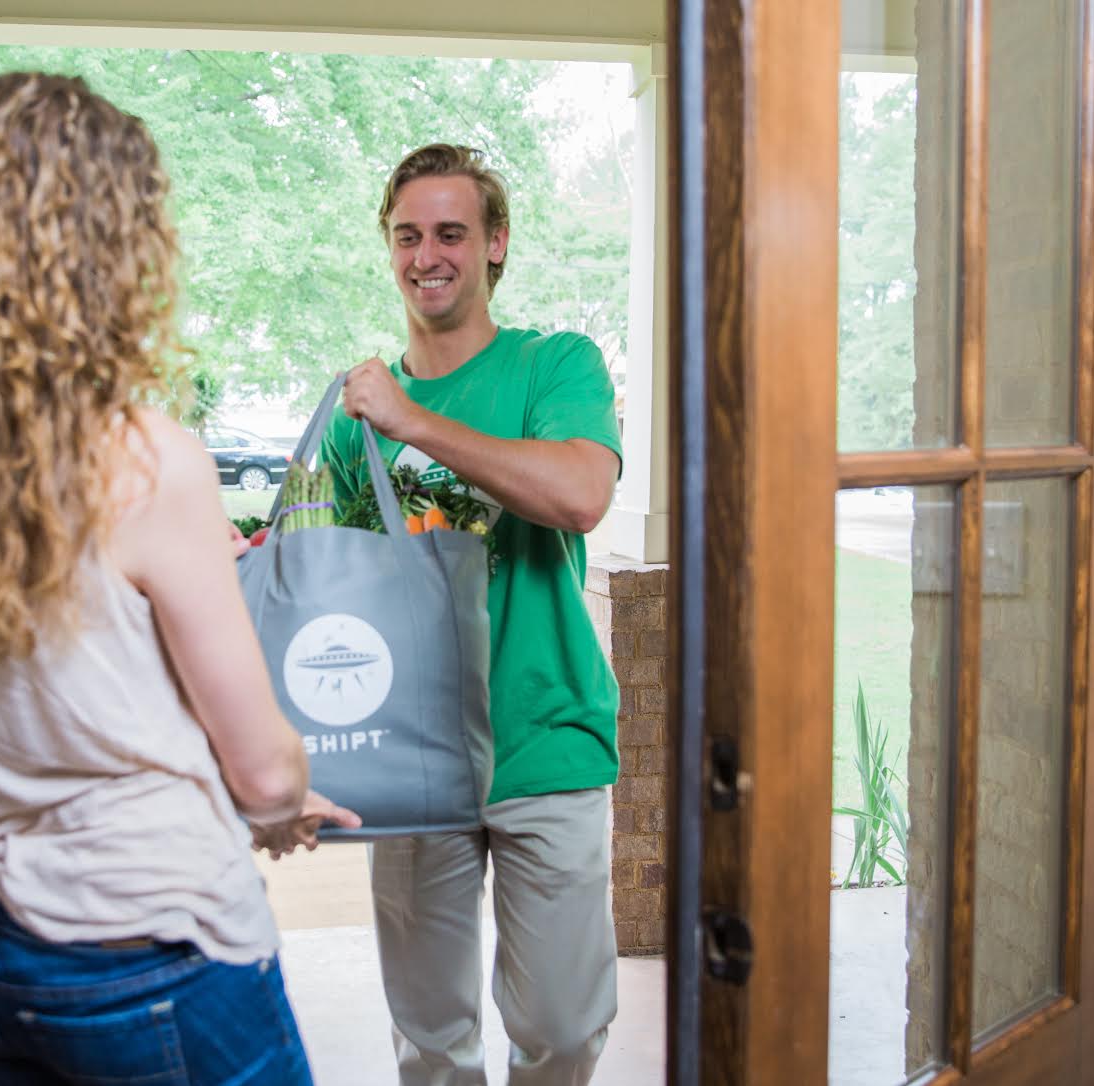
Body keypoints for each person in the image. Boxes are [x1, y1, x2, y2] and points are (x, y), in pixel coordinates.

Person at [0, 71, 356, 1085]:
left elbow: (43, 685)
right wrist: (280, 802)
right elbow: (268, 771)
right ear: (113, 249)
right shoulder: (142, 456)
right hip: (148, 943)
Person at [319, 144, 624, 1085]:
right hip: (414, 762)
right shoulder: (346, 419)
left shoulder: (553, 364)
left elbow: (578, 495)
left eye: (451, 232)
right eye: (407, 235)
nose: (427, 255)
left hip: (545, 735)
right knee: (431, 1038)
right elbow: (352, 594)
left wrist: (414, 420)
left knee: (563, 1028)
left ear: (494, 244)